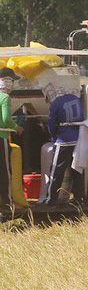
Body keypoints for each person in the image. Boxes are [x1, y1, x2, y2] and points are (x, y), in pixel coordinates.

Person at [41, 83, 84, 206]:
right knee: (77, 170)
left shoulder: (55, 103)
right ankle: (78, 199)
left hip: (64, 141)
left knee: (56, 171)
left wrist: (54, 138)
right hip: (79, 139)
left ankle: (51, 200)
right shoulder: (75, 98)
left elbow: (51, 125)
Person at [0, 67, 23, 208]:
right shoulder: (5, 97)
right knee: (5, 171)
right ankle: (7, 203)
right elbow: (6, 118)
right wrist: (17, 127)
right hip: (1, 137)